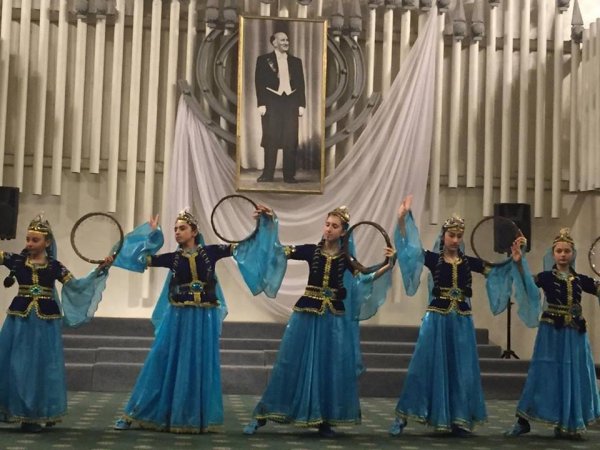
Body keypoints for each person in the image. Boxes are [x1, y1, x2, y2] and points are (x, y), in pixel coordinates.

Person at [112, 209, 274, 433]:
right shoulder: (173, 258)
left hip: (203, 319)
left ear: (194, 231)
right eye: (175, 229)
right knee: (162, 361)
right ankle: (134, 413)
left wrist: (264, 223)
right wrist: (152, 235)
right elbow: (138, 259)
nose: (177, 232)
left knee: (198, 364)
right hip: (178, 318)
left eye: (182, 228)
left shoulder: (211, 253)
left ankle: (191, 416)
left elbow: (246, 245)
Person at [389, 195, 536, 436]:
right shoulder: (433, 258)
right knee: (422, 367)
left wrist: (515, 259)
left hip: (462, 321)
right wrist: (402, 220)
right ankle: (402, 416)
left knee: (462, 370)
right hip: (436, 320)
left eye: (459, 236)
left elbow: (497, 272)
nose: (455, 240)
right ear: (443, 236)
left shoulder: (469, 262)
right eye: (451, 235)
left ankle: (458, 419)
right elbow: (408, 250)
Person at [243, 205, 395, 438]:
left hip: (332, 320)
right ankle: (262, 414)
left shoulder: (346, 258)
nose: (329, 229)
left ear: (343, 231)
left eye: (334, 226)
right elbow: (278, 251)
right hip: (307, 316)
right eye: (327, 224)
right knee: (290, 363)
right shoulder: (310, 251)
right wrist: (271, 222)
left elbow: (365, 276)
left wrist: (388, 264)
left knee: (328, 366)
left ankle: (323, 419)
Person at [0, 215, 111, 432]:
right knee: (17, 364)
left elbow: (77, 286)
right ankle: (21, 409)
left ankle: (40, 411)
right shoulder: (17, 261)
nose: (29, 244)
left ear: (47, 242)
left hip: (45, 324)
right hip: (20, 321)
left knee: (43, 366)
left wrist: (99, 270)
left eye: (35, 240)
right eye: (28, 239)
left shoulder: (55, 267)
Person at [505, 228, 600, 440]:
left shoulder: (580, 280)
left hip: (575, 335)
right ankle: (523, 421)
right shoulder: (546, 277)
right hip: (551, 334)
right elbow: (527, 287)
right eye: (559, 251)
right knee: (543, 375)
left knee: (574, 375)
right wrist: (519, 263)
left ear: (572, 254)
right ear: (553, 253)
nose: (563, 254)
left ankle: (568, 422)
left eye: (567, 251)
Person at [255, 31, 306, 184]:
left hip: (291, 102)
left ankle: (289, 176)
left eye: (287, 40)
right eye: (282, 40)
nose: (286, 42)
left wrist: (301, 104)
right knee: (271, 138)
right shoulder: (263, 60)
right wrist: (261, 103)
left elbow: (301, 84)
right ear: (274, 43)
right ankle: (267, 174)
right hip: (272, 102)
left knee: (290, 139)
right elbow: (259, 82)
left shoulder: (296, 61)